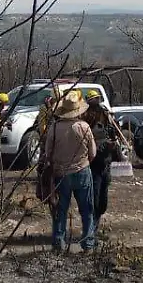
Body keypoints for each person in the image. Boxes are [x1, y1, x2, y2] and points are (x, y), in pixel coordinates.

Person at [41, 89, 98, 252]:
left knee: (60, 211)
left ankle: (59, 243)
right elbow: (93, 153)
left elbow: (47, 153)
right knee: (87, 210)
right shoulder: (84, 127)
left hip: (60, 173)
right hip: (82, 171)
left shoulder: (54, 128)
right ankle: (88, 244)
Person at [83, 89, 119, 230]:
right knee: (95, 195)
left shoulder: (105, 114)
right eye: (93, 99)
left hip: (105, 160)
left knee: (103, 196)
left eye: (97, 99)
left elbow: (113, 133)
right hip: (92, 162)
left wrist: (113, 143)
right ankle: (92, 228)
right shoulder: (84, 117)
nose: (96, 101)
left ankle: (96, 221)